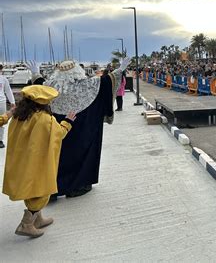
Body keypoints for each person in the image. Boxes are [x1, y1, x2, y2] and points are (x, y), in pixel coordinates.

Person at [27, 57, 130, 198]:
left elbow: (40, 86)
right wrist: (121, 69)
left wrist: (35, 73)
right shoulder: (89, 85)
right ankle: (78, 185)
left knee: (56, 155)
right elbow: (108, 81)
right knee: (83, 152)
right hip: (83, 131)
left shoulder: (50, 87)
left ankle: (52, 188)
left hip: (58, 131)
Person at [2, 85, 76, 238]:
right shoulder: (45, 119)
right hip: (37, 162)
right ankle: (27, 223)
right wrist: (68, 121)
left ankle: (38, 219)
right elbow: (59, 134)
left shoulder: (18, 115)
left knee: (31, 189)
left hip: (22, 160)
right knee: (41, 190)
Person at [0, 64, 16, 148]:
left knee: (2, 121)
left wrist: (12, 102)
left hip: (1, 102)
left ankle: (0, 139)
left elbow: (8, 91)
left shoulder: (4, 79)